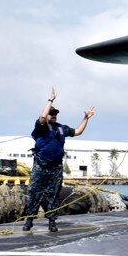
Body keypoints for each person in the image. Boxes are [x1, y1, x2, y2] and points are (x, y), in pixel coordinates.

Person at [23, 89, 95, 232]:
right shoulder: (41, 127)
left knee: (53, 194)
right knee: (34, 192)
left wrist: (86, 118)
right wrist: (51, 100)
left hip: (56, 167)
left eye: (55, 114)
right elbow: (43, 117)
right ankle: (29, 220)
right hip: (41, 165)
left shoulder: (62, 128)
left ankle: (52, 221)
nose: (54, 116)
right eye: (52, 113)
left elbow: (77, 132)